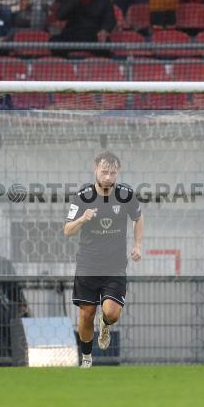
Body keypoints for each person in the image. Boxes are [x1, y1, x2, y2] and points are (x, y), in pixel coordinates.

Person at [64, 152, 143, 369]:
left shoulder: (126, 194)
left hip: (115, 266)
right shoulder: (82, 196)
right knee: (86, 313)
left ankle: (105, 325)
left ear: (118, 172)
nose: (108, 177)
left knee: (111, 312)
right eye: (104, 172)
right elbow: (67, 230)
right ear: (95, 169)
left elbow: (138, 217)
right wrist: (83, 218)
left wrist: (137, 245)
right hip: (88, 265)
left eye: (113, 172)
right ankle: (87, 358)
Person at [51, 0, 116, 56]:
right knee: (54, 43)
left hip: (93, 35)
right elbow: (61, 15)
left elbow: (110, 18)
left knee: (106, 46)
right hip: (73, 34)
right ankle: (67, 66)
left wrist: (105, 30)